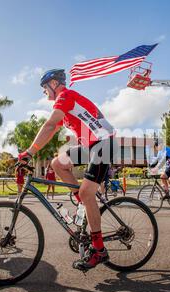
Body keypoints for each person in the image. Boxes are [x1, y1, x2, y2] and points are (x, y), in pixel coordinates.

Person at [18, 69, 116, 271]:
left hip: (103, 143)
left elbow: (49, 125)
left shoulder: (65, 96)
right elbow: (53, 128)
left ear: (53, 84)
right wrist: (34, 151)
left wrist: (28, 152)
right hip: (91, 144)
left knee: (87, 192)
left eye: (44, 87)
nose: (44, 92)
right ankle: (84, 204)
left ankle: (99, 251)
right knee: (57, 163)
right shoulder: (64, 103)